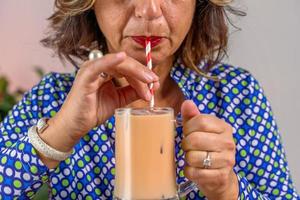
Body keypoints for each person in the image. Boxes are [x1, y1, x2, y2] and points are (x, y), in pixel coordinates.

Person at [0, 0, 299, 199]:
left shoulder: (237, 94)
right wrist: (57, 136)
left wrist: (228, 189)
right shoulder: (51, 99)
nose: (149, 11)